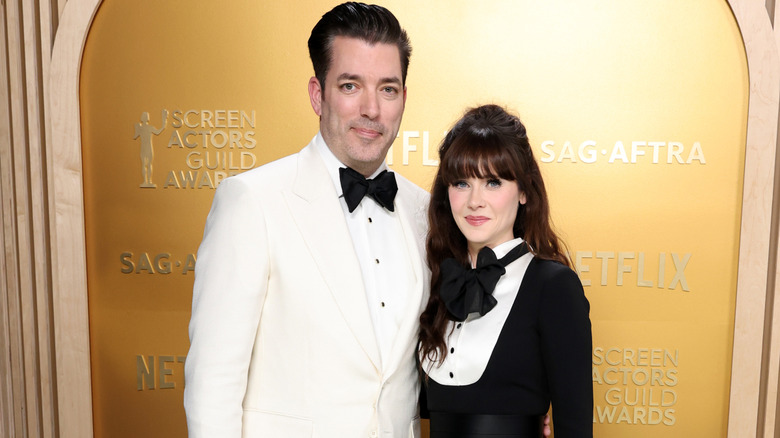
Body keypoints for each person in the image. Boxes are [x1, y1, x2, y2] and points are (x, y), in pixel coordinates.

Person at [184, 3, 430, 437]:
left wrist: (517, 404)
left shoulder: (425, 212)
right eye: (351, 85)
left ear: (403, 99)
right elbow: (213, 381)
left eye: (388, 89)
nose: (371, 109)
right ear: (318, 94)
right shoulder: (252, 201)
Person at [418, 105, 593, 437]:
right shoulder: (435, 280)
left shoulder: (553, 287)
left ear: (525, 191)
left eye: (493, 182)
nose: (475, 201)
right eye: (461, 183)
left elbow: (575, 427)